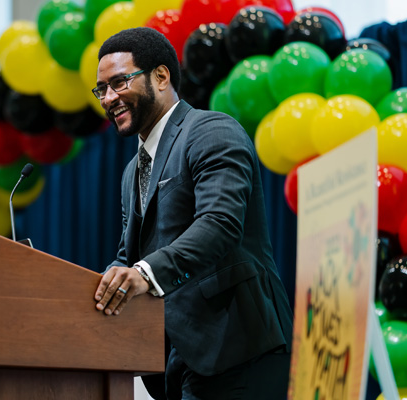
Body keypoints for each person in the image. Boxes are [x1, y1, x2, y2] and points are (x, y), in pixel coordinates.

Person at [92, 27, 294, 400]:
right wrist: (91, 291)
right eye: (101, 89)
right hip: (178, 361)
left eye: (119, 82)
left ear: (161, 76)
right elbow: (128, 257)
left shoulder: (210, 131)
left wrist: (142, 274)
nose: (109, 98)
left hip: (239, 347)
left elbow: (220, 224)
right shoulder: (130, 172)